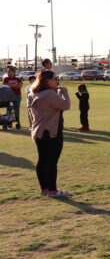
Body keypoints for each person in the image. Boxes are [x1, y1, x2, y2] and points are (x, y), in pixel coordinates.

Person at [26, 70, 71, 198]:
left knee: (42, 160)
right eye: (54, 79)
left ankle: (44, 189)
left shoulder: (32, 93)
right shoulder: (50, 94)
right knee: (51, 162)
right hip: (52, 132)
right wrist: (65, 93)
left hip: (38, 132)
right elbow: (66, 105)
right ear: (47, 81)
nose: (57, 81)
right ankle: (52, 191)